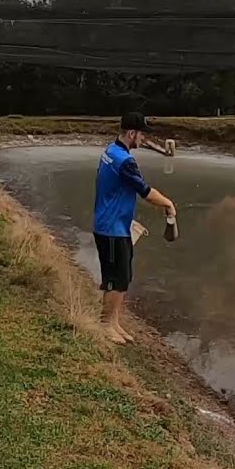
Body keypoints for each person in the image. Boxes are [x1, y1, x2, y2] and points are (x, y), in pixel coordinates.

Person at [93, 112, 177, 345]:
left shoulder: (112, 151)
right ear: (131, 133)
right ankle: (105, 324)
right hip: (110, 228)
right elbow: (145, 191)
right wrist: (168, 204)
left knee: (123, 276)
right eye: (141, 134)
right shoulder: (125, 161)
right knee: (115, 278)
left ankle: (114, 322)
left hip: (116, 224)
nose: (142, 139)